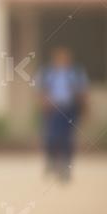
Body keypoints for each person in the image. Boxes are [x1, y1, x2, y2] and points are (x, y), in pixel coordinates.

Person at [35, 45, 89, 182]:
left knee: (68, 139)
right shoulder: (48, 73)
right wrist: (43, 104)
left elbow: (83, 92)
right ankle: (52, 161)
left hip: (70, 109)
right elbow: (40, 91)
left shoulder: (76, 73)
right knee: (51, 138)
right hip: (53, 110)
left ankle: (66, 167)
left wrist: (86, 109)